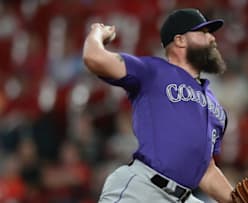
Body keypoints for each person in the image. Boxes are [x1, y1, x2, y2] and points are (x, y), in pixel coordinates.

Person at [83, 8, 234, 203]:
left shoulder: (216, 108)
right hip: (142, 189)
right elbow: (93, 57)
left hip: (184, 197)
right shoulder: (153, 71)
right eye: (203, 33)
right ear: (180, 40)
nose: (212, 39)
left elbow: (206, 171)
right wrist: (97, 32)